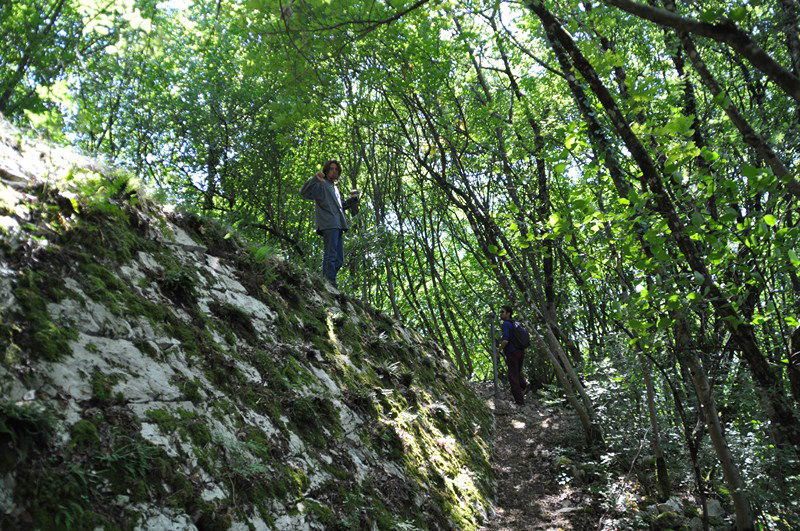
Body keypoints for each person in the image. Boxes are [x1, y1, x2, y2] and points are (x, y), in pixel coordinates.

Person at [299, 159, 360, 288]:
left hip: (338, 225)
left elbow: (340, 206)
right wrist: (315, 178)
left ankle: (328, 281)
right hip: (328, 224)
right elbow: (304, 192)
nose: (334, 171)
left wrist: (352, 200)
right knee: (331, 254)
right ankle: (328, 284)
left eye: (336, 169)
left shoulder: (334, 188)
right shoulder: (321, 185)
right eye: (331, 169)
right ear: (326, 170)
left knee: (339, 259)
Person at [499, 305, 528, 406]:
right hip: (521, 351)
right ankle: (524, 386)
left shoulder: (506, 324)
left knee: (513, 376)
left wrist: (499, 349)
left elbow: (505, 340)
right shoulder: (515, 323)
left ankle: (520, 403)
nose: (500, 314)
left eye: (502, 312)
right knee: (518, 372)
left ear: (508, 313)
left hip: (512, 353)